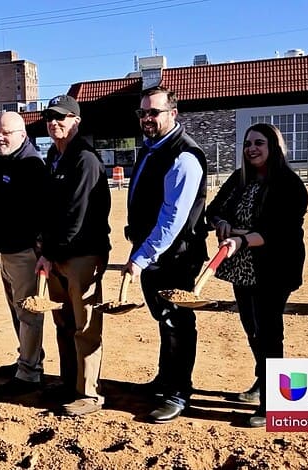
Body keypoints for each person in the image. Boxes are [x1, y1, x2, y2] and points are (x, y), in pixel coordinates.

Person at [205, 123, 307, 428]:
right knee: (252, 328)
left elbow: (281, 232)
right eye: (248, 143)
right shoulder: (240, 178)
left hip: (274, 266)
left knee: (269, 332)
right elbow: (213, 210)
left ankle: (274, 401)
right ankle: (263, 381)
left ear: (274, 147)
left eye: (259, 143)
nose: (252, 149)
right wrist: (221, 222)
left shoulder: (289, 184)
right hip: (242, 266)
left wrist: (242, 240)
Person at [123, 86, 207, 423]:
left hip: (177, 257)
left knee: (177, 323)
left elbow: (173, 219)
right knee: (165, 320)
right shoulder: (152, 148)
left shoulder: (183, 156)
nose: (147, 118)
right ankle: (165, 379)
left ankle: (178, 392)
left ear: (173, 113)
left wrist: (142, 256)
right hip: (155, 254)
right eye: (142, 112)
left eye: (154, 112)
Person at [34, 95, 111, 416]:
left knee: (85, 326)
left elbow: (76, 215)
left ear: (76, 121)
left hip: (82, 254)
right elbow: (49, 208)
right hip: (56, 255)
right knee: (63, 322)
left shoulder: (85, 159)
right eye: (50, 117)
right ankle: (69, 382)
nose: (54, 122)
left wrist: (49, 253)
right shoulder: (54, 155)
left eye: (61, 117)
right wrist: (45, 248)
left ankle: (89, 393)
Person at [0, 111, 47, 396]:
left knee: (28, 313)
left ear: (22, 135)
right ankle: (28, 359)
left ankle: (29, 373)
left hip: (25, 251)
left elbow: (38, 213)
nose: (0, 138)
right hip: (6, 250)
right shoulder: (0, 161)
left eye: (6, 133)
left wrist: (40, 250)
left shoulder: (31, 164)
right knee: (17, 312)